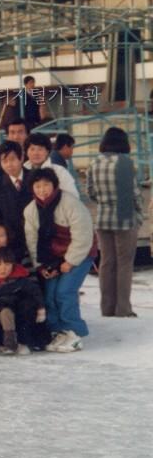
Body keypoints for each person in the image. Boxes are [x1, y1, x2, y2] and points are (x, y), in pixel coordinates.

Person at [23, 169, 95, 353]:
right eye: (37, 186)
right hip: (51, 257)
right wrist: (41, 266)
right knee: (50, 293)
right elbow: (32, 241)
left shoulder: (70, 204)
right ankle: (57, 331)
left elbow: (83, 236)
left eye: (46, 185)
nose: (42, 190)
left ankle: (74, 332)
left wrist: (70, 262)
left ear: (54, 185)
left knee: (64, 291)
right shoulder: (31, 210)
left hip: (80, 254)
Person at [86, 127, 143, 318]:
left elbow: (91, 192)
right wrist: (140, 215)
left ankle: (107, 308)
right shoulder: (126, 163)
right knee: (124, 264)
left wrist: (105, 202)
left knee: (107, 263)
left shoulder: (94, 163)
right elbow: (135, 194)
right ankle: (123, 308)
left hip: (103, 218)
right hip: (125, 218)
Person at [0, 142, 32, 263]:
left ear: (21, 158)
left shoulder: (33, 178)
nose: (9, 165)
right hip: (11, 238)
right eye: (4, 161)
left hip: (34, 234)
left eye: (12, 159)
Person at [23, 133, 79, 198]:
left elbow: (73, 197)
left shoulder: (60, 172)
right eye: (32, 149)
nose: (36, 153)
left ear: (47, 151)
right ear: (26, 152)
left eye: (40, 149)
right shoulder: (21, 172)